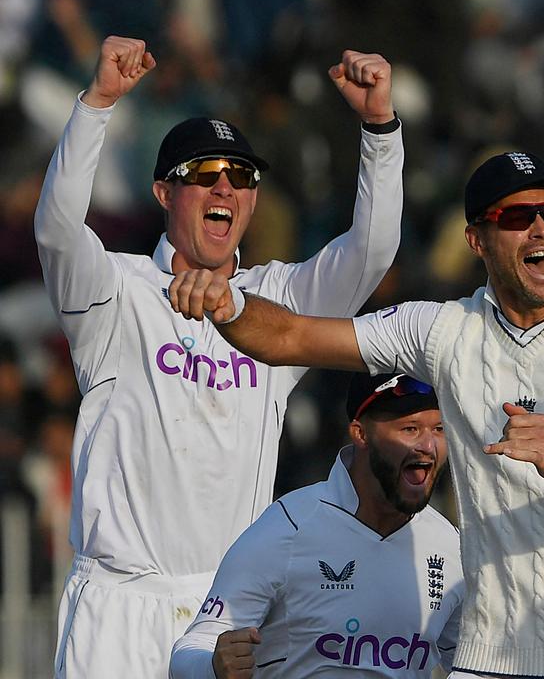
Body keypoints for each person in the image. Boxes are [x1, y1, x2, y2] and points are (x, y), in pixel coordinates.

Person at [166, 150, 544, 678]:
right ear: (476, 240)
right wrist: (229, 306)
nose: (540, 229)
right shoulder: (444, 329)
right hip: (495, 659)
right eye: (515, 217)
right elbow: (291, 336)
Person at [35, 36, 404, 678]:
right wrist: (97, 104)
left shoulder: (274, 302)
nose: (226, 189)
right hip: (119, 604)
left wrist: (379, 128)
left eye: (242, 178)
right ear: (163, 193)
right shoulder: (116, 291)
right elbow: (57, 230)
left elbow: (371, 254)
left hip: (225, 610)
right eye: (206, 175)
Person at [170, 373, 463, 678]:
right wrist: (213, 667)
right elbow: (191, 648)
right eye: (410, 429)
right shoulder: (289, 525)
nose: (428, 445)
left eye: (439, 429)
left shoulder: (451, 544)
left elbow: (475, 663)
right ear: (361, 434)